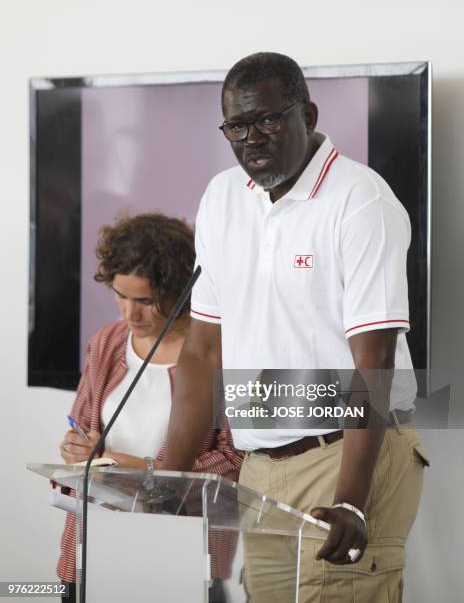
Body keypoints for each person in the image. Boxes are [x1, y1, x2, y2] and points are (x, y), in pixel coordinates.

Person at [160, 53, 430, 602]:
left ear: (307, 113)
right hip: (262, 466)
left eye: (268, 120)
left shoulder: (360, 200)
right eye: (236, 126)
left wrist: (351, 498)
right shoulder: (221, 200)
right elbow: (203, 352)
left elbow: (372, 364)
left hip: (346, 454)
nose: (251, 140)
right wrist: (171, 475)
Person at [57, 212, 243, 602]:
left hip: (186, 557)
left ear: (180, 291)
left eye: (145, 300)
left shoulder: (222, 354)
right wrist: (79, 449)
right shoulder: (106, 342)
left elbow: (235, 461)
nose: (129, 314)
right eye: (120, 296)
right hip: (96, 549)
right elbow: (83, 430)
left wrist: (148, 471)